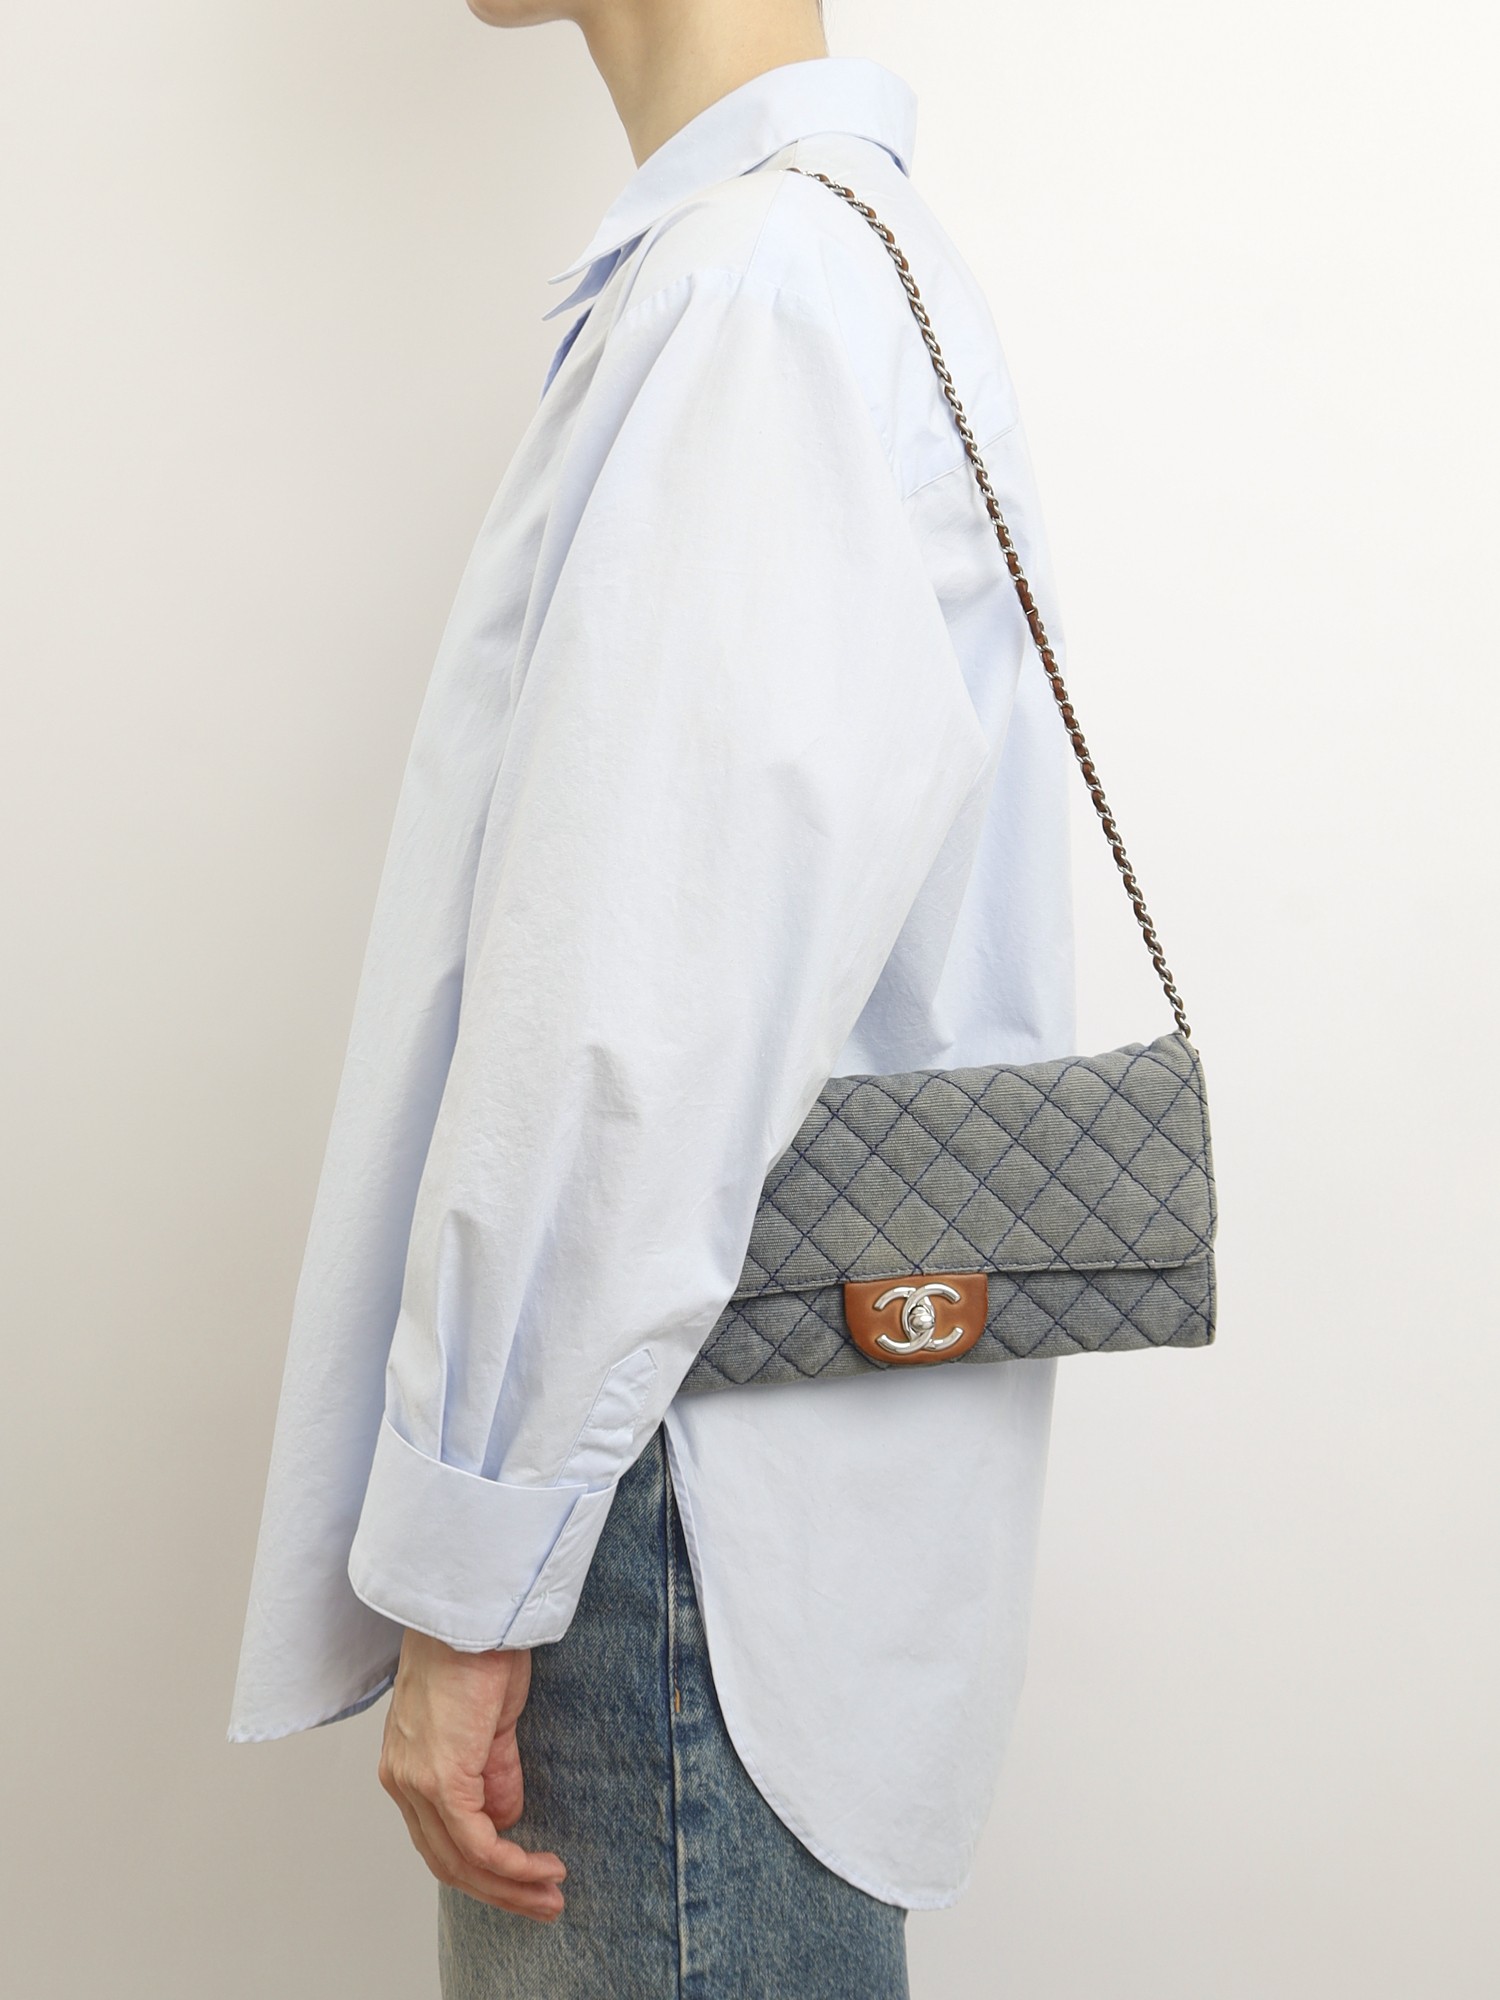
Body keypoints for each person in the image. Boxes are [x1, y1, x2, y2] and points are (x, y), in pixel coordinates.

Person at [230, 3, 1078, 1993]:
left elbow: (638, 1017)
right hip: (693, 1469)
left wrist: (474, 1568)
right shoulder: (808, 262)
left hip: (652, 1493)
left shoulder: (757, 290)